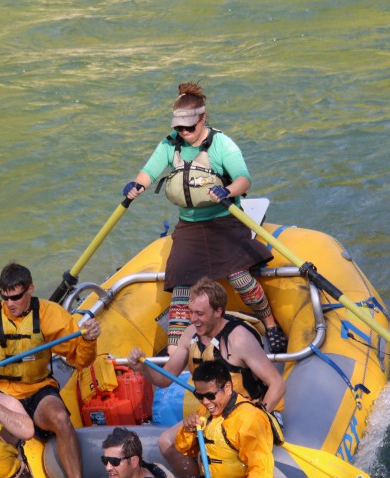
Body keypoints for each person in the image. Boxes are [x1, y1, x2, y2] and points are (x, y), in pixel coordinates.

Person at [122, 81, 287, 356]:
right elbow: (148, 173)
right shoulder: (168, 145)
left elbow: (244, 180)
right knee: (180, 287)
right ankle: (176, 353)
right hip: (189, 227)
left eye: (190, 128)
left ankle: (270, 323)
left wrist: (228, 191)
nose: (184, 133)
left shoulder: (222, 144)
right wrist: (136, 185)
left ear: (203, 119)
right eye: (179, 128)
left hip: (224, 221)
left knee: (239, 277)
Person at [0, 262, 100, 478]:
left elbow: (80, 359)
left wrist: (88, 340)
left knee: (60, 418)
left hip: (37, 389)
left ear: (30, 289)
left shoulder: (50, 314)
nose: (10, 303)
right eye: (5, 297)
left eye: (16, 297)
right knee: (3, 431)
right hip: (0, 391)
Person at [127, 276, 285, 478]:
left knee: (214, 446)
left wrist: (255, 419)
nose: (193, 319)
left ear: (218, 311)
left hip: (250, 411)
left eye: (200, 314)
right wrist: (142, 368)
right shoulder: (191, 334)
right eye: (191, 312)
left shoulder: (239, 339)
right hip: (214, 412)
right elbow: (165, 379)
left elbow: (277, 385)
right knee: (166, 442)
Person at [174, 360, 278, 478]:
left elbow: (261, 476)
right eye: (199, 395)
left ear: (228, 387)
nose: (205, 402)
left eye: (210, 395)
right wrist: (187, 430)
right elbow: (184, 449)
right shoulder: (206, 409)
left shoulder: (250, 420)